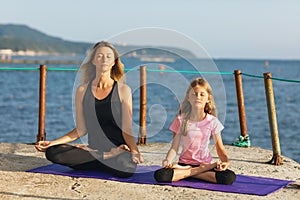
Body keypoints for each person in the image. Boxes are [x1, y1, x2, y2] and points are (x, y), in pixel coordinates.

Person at [35, 41, 143, 178]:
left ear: (114, 62)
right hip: (94, 150)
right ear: (93, 60)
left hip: (120, 150)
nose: (104, 59)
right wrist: (52, 142)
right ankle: (104, 158)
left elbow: (126, 128)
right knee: (53, 152)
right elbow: (81, 130)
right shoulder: (82, 90)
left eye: (108, 56)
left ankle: (97, 160)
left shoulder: (123, 90)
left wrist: (134, 150)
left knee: (126, 169)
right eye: (100, 56)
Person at [154, 78, 236, 185]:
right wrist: (168, 160)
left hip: (204, 163)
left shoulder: (212, 122)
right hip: (185, 164)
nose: (198, 97)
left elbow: (220, 148)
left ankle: (189, 172)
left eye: (202, 94)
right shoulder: (180, 120)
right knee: (160, 175)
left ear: (208, 98)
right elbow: (174, 147)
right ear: (188, 97)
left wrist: (226, 162)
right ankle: (197, 171)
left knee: (228, 177)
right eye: (194, 94)